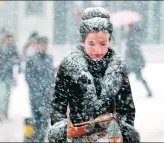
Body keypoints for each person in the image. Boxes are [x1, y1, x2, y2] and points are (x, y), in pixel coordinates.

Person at [48, 7, 140, 143]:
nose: (98, 49)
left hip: (111, 135)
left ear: (110, 40)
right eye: (91, 43)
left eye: (103, 43)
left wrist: (123, 129)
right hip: (78, 136)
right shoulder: (69, 66)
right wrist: (63, 130)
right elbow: (58, 106)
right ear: (83, 41)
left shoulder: (118, 67)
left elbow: (127, 107)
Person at [25, 36, 55, 142]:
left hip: (47, 95)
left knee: (45, 119)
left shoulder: (49, 58)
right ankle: (34, 138)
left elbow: (51, 75)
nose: (44, 47)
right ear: (37, 45)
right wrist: (37, 89)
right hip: (35, 95)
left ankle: (40, 139)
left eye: (45, 44)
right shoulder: (31, 60)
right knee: (36, 118)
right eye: (41, 44)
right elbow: (28, 77)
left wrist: (50, 88)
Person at [0, 32, 20, 121]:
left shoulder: (13, 48)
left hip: (9, 75)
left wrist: (12, 62)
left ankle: (5, 113)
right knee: (2, 95)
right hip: (1, 75)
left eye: (10, 38)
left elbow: (18, 58)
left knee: (7, 96)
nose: (8, 40)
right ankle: (1, 113)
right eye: (7, 38)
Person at [125, 23, 152, 97]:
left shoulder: (132, 34)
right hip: (134, 62)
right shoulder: (132, 34)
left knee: (130, 77)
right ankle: (149, 91)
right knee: (136, 77)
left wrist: (129, 52)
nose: (128, 26)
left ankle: (149, 91)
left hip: (134, 62)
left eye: (129, 25)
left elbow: (134, 48)